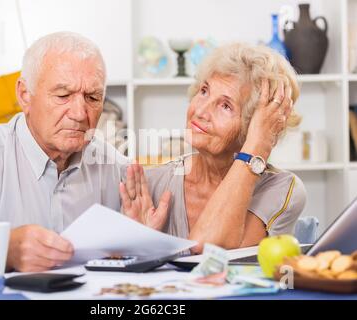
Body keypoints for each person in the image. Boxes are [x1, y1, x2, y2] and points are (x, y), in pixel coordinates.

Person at [0, 32, 170, 285]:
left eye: (92, 98)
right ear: (25, 95)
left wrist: (140, 242)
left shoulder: (113, 166)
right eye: (63, 95)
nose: (80, 113)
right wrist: (5, 251)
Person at [120, 43, 307, 253]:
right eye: (204, 91)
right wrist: (138, 248)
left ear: (255, 127)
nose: (201, 111)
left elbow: (207, 249)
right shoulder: (150, 182)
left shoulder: (280, 189)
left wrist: (257, 147)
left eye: (225, 106)